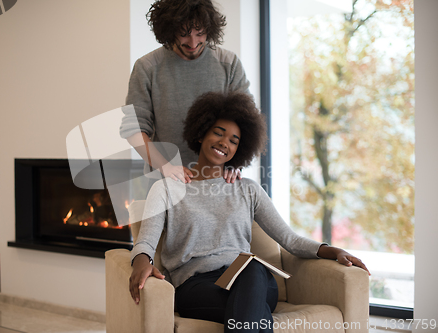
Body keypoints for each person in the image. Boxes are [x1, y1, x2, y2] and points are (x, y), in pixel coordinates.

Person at [128, 91, 370, 332]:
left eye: (234, 141)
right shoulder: (167, 188)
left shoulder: (248, 190)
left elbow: (289, 240)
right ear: (201, 133)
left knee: (253, 267)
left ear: (239, 150)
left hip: (251, 280)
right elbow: (146, 242)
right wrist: (141, 262)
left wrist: (333, 250)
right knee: (253, 313)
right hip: (197, 286)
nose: (225, 143)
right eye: (218, 133)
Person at [120, 0, 250, 185]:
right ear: (169, 29)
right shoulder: (147, 68)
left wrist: (236, 163)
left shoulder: (228, 64)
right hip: (165, 183)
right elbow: (134, 129)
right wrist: (166, 167)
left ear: (210, 29)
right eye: (184, 34)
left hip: (217, 183)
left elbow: (247, 122)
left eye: (200, 33)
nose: (193, 42)